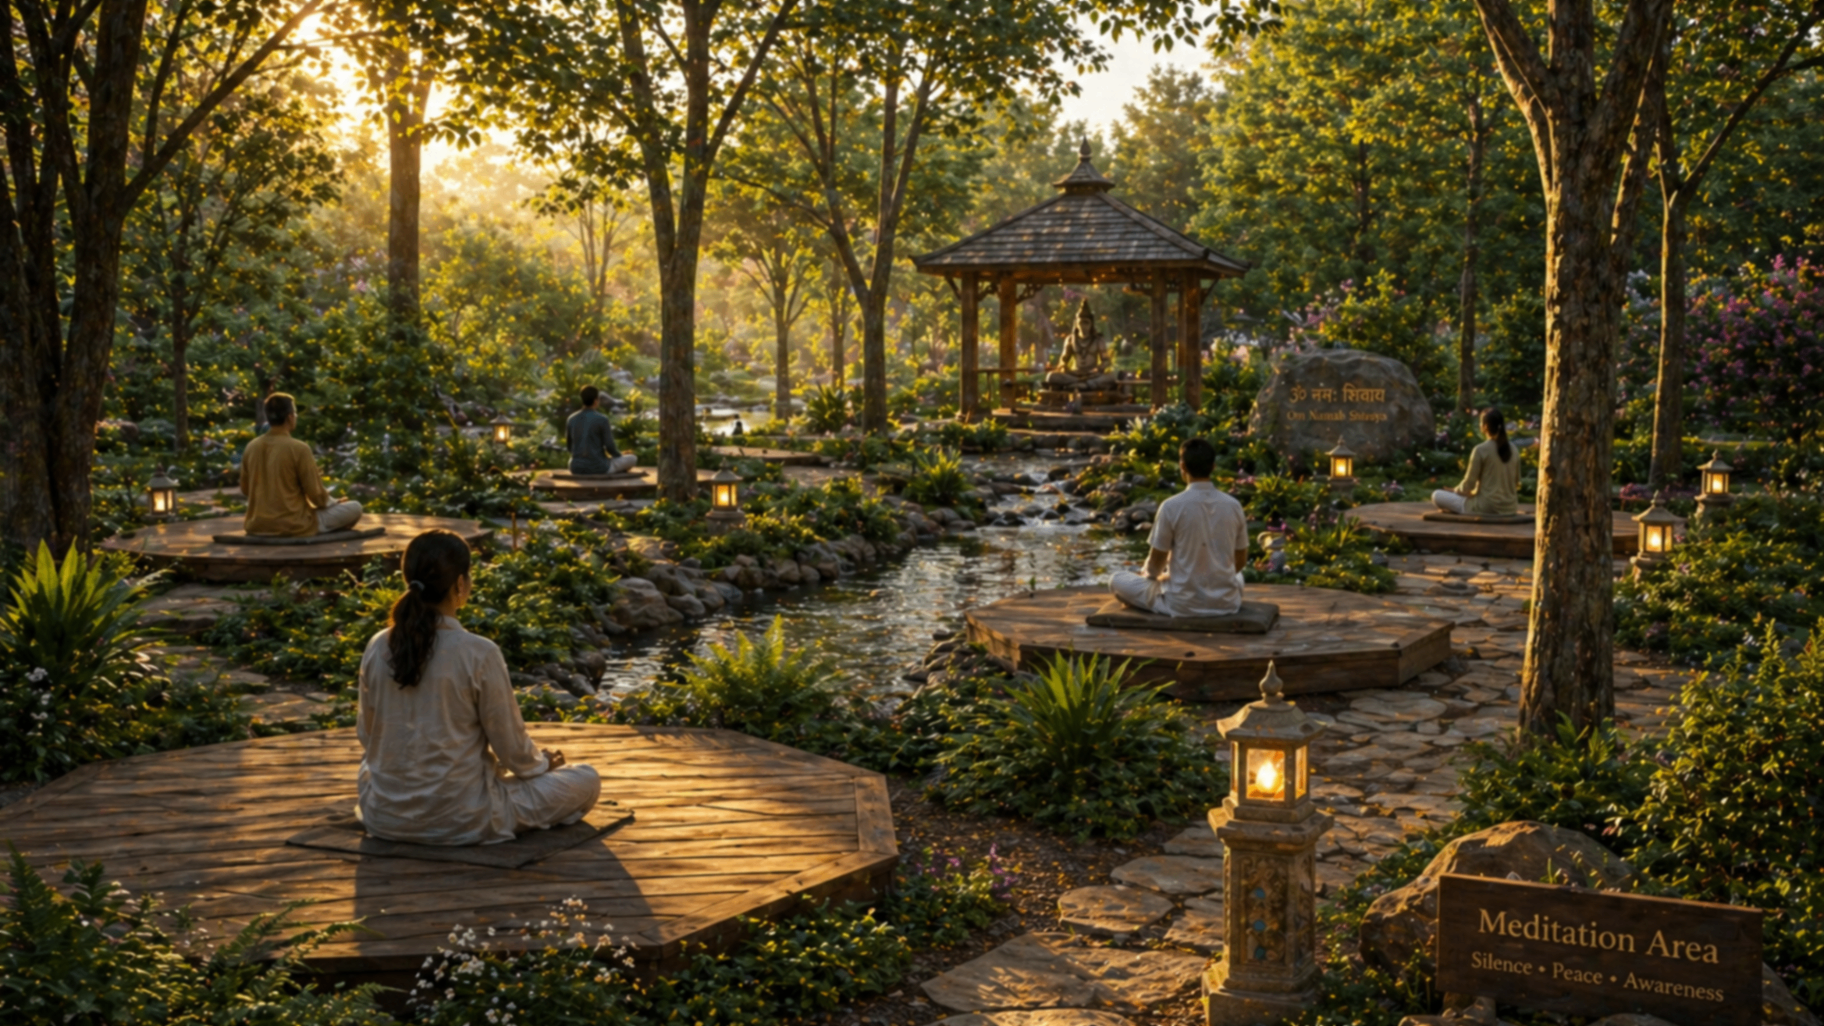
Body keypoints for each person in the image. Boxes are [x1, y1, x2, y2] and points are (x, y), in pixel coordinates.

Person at [356, 530, 601, 845]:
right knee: (586, 779)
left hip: (384, 817)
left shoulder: (377, 645)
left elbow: (367, 735)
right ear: (460, 584)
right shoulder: (479, 652)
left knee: (369, 768)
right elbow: (513, 751)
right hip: (463, 819)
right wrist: (542, 764)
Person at [1110, 437, 1250, 616]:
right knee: (1238, 577)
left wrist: (1149, 577)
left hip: (1181, 604)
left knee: (1116, 579)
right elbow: (1240, 560)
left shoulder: (1171, 506)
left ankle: (1167, 596)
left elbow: (1156, 565)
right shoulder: (1234, 505)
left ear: (1182, 466)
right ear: (1213, 467)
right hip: (1225, 603)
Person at [239, 393, 363, 536]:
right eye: (295, 413)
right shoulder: (299, 448)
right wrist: (334, 503)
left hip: (257, 525)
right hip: (294, 525)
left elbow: (246, 489)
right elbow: (317, 497)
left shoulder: (251, 447)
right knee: (355, 507)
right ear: (290, 417)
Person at [1433, 408, 1521, 516]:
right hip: (1510, 508)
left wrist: (1454, 490)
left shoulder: (1480, 450)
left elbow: (1468, 484)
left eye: (1480, 422)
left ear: (1485, 426)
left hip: (1484, 507)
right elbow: (1517, 482)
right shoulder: (1514, 449)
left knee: (1437, 495)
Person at [565, 385, 637, 475]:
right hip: (599, 467)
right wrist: (620, 456)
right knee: (633, 458)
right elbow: (610, 447)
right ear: (596, 401)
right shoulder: (602, 419)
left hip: (576, 468)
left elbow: (569, 447)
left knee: (572, 461)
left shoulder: (571, 419)